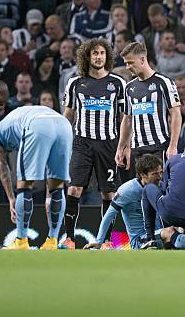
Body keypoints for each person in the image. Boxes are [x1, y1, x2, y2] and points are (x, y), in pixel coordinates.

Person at [62, 38, 126, 249]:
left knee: (108, 193)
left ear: (107, 57)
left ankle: (107, 240)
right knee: (74, 190)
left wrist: (124, 146)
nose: (99, 57)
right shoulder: (75, 82)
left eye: (102, 53)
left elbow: (124, 118)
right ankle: (69, 238)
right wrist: (62, 142)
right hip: (82, 143)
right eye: (94, 53)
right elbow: (68, 115)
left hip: (108, 144)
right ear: (87, 57)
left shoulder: (117, 83)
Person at [0, 106, 72, 250]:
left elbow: (2, 165)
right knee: (57, 186)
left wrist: (11, 198)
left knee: (25, 184)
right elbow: (49, 168)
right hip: (64, 125)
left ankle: (21, 241)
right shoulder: (16, 118)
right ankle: (52, 242)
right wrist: (48, 198)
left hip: (37, 124)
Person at [116, 42, 181, 180]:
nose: (128, 67)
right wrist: (120, 147)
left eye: (130, 63)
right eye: (126, 63)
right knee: (139, 190)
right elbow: (127, 119)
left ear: (142, 59)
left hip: (158, 146)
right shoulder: (129, 88)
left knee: (158, 187)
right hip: (137, 148)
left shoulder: (164, 82)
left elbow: (175, 114)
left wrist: (173, 146)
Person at [84, 154, 163, 250]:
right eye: (155, 174)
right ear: (143, 175)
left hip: (160, 233)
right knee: (171, 234)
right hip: (141, 240)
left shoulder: (161, 186)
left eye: (161, 173)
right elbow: (109, 215)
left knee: (176, 234)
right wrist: (99, 241)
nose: (160, 177)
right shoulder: (127, 190)